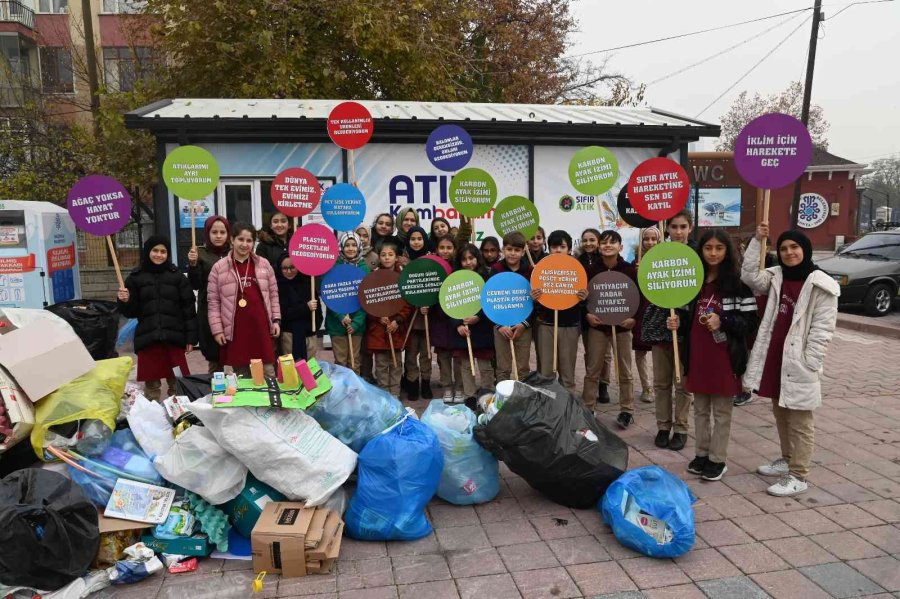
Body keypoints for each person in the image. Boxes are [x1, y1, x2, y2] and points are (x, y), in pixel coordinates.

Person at [742, 224, 839, 497]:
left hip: (799, 361)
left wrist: (810, 361)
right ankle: (786, 458)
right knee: (781, 412)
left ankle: (799, 474)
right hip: (775, 357)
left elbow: (823, 328)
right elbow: (749, 276)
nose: (789, 252)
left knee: (800, 419)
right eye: (783, 248)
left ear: (805, 249)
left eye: (794, 247)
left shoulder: (821, 283)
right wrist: (756, 240)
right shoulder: (776, 276)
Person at [669, 229, 757, 481]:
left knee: (721, 412)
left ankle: (718, 459)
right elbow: (688, 319)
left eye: (719, 248)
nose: (713, 253)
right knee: (699, 410)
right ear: (701, 251)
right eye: (708, 248)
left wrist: (724, 320)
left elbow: (750, 322)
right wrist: (678, 323)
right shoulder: (693, 282)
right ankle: (701, 454)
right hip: (698, 356)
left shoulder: (739, 285)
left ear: (727, 251)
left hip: (725, 358)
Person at [117, 235, 197, 401]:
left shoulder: (177, 278)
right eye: (155, 250)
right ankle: (152, 417)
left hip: (174, 339)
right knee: (152, 385)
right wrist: (124, 300)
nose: (159, 255)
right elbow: (131, 312)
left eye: (163, 251)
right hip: (149, 339)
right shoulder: (135, 278)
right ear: (148, 252)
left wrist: (191, 338)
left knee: (177, 382)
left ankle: (179, 416)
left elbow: (188, 310)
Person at [642, 209, 696, 451]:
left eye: (683, 227)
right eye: (674, 227)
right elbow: (651, 287)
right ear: (668, 229)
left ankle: (681, 427)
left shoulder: (697, 255)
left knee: (683, 383)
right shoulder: (658, 255)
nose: (678, 231)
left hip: (688, 329)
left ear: (690, 228)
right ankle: (663, 426)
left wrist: (683, 319)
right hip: (660, 328)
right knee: (661, 382)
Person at [207, 222, 281, 377]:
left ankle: (269, 401)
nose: (244, 244)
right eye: (240, 239)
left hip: (261, 328)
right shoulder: (219, 268)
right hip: (235, 330)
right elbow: (213, 302)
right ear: (232, 240)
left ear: (254, 243)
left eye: (249, 241)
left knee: (268, 373)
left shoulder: (264, 264)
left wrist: (276, 320)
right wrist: (217, 330)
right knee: (243, 376)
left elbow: (273, 294)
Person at [582, 230, 638, 427]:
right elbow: (582, 299)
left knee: (625, 370)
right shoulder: (590, 271)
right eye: (604, 243)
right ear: (598, 246)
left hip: (622, 329)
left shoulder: (630, 270)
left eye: (612, 243)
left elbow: (638, 299)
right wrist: (587, 314)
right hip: (598, 327)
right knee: (592, 369)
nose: (607, 246)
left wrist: (633, 319)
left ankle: (627, 410)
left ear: (620, 247)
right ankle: (588, 407)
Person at [532, 230, 588, 396]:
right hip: (546, 324)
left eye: (562, 247)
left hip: (570, 325)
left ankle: (567, 407)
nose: (558, 250)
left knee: (567, 370)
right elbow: (536, 302)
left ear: (569, 249)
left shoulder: (577, 269)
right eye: (554, 246)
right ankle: (547, 406)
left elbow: (583, 302)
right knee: (546, 371)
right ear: (548, 248)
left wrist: (583, 298)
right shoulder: (541, 268)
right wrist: (535, 298)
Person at [364, 237, 413, 397]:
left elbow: (408, 303)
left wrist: (397, 320)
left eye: (390, 254)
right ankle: (384, 396)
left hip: (396, 330)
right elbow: (368, 301)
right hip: (378, 331)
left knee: (396, 364)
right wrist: (378, 317)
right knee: (381, 365)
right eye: (383, 255)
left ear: (396, 257)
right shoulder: (373, 277)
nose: (386, 257)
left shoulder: (402, 277)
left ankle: (395, 394)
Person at [452, 244, 495, 403]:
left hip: (482, 329)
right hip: (464, 331)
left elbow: (491, 302)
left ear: (478, 258)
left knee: (485, 366)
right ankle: (469, 396)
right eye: (464, 259)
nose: (468, 262)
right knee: (465, 365)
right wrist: (458, 324)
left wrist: (479, 317)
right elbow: (448, 304)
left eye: (471, 258)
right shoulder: (454, 279)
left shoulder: (486, 277)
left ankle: (487, 396)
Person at [187, 215, 231, 373]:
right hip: (210, 308)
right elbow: (195, 284)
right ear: (207, 233)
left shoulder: (234, 253)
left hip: (232, 308)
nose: (218, 236)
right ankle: (216, 389)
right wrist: (192, 265)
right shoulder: (199, 253)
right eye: (214, 232)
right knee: (215, 356)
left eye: (222, 232)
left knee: (236, 353)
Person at [491, 231, 534, 382]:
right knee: (503, 367)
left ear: (523, 252)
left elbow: (533, 301)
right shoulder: (496, 269)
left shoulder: (529, 271)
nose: (513, 253)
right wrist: (499, 325)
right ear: (503, 250)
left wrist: (524, 324)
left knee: (522, 367)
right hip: (501, 325)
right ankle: (502, 400)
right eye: (509, 249)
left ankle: (522, 397)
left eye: (517, 250)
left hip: (523, 325)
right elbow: (490, 299)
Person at [578, 227, 613, 404]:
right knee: (591, 353)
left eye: (592, 240)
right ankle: (592, 382)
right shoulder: (578, 261)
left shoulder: (605, 261)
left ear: (598, 242)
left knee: (606, 354)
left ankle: (603, 384)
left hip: (606, 311)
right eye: (585, 240)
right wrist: (586, 312)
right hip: (586, 314)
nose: (588, 243)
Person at [325, 233, 369, 373]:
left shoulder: (364, 268)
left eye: (354, 245)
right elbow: (329, 294)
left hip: (357, 325)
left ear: (359, 246)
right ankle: (341, 393)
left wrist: (356, 323)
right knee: (340, 362)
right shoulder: (333, 267)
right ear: (341, 247)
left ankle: (354, 392)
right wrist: (340, 316)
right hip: (337, 324)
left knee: (354, 361)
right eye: (347, 245)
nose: (351, 248)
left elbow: (366, 298)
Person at [401, 226, 434, 400]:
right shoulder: (402, 262)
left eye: (419, 238)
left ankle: (426, 383)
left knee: (426, 353)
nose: (416, 242)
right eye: (412, 239)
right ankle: (412, 383)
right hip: (409, 318)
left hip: (427, 316)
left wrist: (429, 304)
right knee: (411, 354)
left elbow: (436, 285)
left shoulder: (431, 260)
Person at [430, 236, 463, 400]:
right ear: (436, 249)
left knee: (458, 355)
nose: (445, 251)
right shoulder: (432, 268)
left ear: (455, 250)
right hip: (439, 318)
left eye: (449, 247)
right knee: (443, 356)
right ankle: (447, 387)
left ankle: (459, 387)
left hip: (457, 317)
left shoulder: (459, 268)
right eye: (442, 247)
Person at [632, 227, 660, 403]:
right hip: (642, 309)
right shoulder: (636, 261)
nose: (650, 242)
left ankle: (663, 386)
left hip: (661, 310)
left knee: (662, 351)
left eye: (653, 239)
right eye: (646, 239)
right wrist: (637, 272)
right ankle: (646, 387)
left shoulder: (666, 258)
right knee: (641, 350)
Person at [276, 253, 321, 361]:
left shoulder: (307, 283)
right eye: (284, 268)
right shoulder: (278, 286)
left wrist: (314, 329)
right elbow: (283, 312)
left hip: (308, 334)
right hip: (289, 334)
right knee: (290, 369)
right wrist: (305, 308)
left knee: (310, 369)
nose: (289, 271)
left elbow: (317, 310)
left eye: (292, 268)